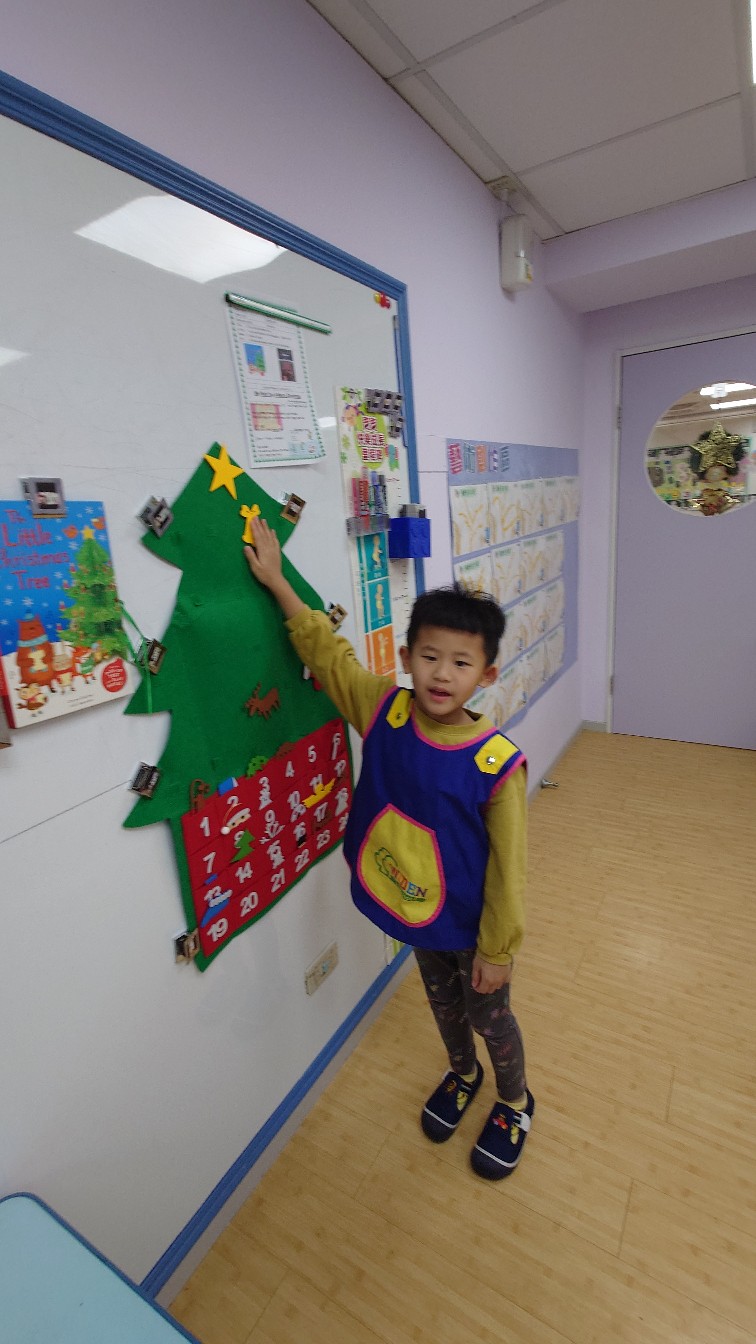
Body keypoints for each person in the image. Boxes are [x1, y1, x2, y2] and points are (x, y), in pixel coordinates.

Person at [245, 517, 533, 1179]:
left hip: (474, 928)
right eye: (429, 656)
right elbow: (329, 657)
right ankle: (462, 1074)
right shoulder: (384, 710)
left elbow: (510, 873)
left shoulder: (496, 764)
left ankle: (515, 1102)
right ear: (406, 658)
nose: (442, 674)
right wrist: (278, 583)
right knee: (442, 1004)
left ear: (486, 674)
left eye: (461, 662)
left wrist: (497, 950)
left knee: (490, 1016)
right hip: (415, 910)